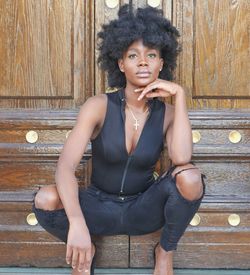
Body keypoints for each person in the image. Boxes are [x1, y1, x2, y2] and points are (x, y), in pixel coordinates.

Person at [33, 4, 206, 275]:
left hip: (143, 207)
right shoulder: (98, 106)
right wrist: (77, 223)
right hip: (98, 206)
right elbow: (64, 167)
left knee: (191, 177)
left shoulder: (170, 114)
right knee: (46, 198)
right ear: (120, 63)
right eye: (133, 55)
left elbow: (181, 159)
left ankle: (164, 252)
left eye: (152, 55)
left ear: (162, 62)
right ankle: (85, 250)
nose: (143, 62)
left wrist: (180, 97)